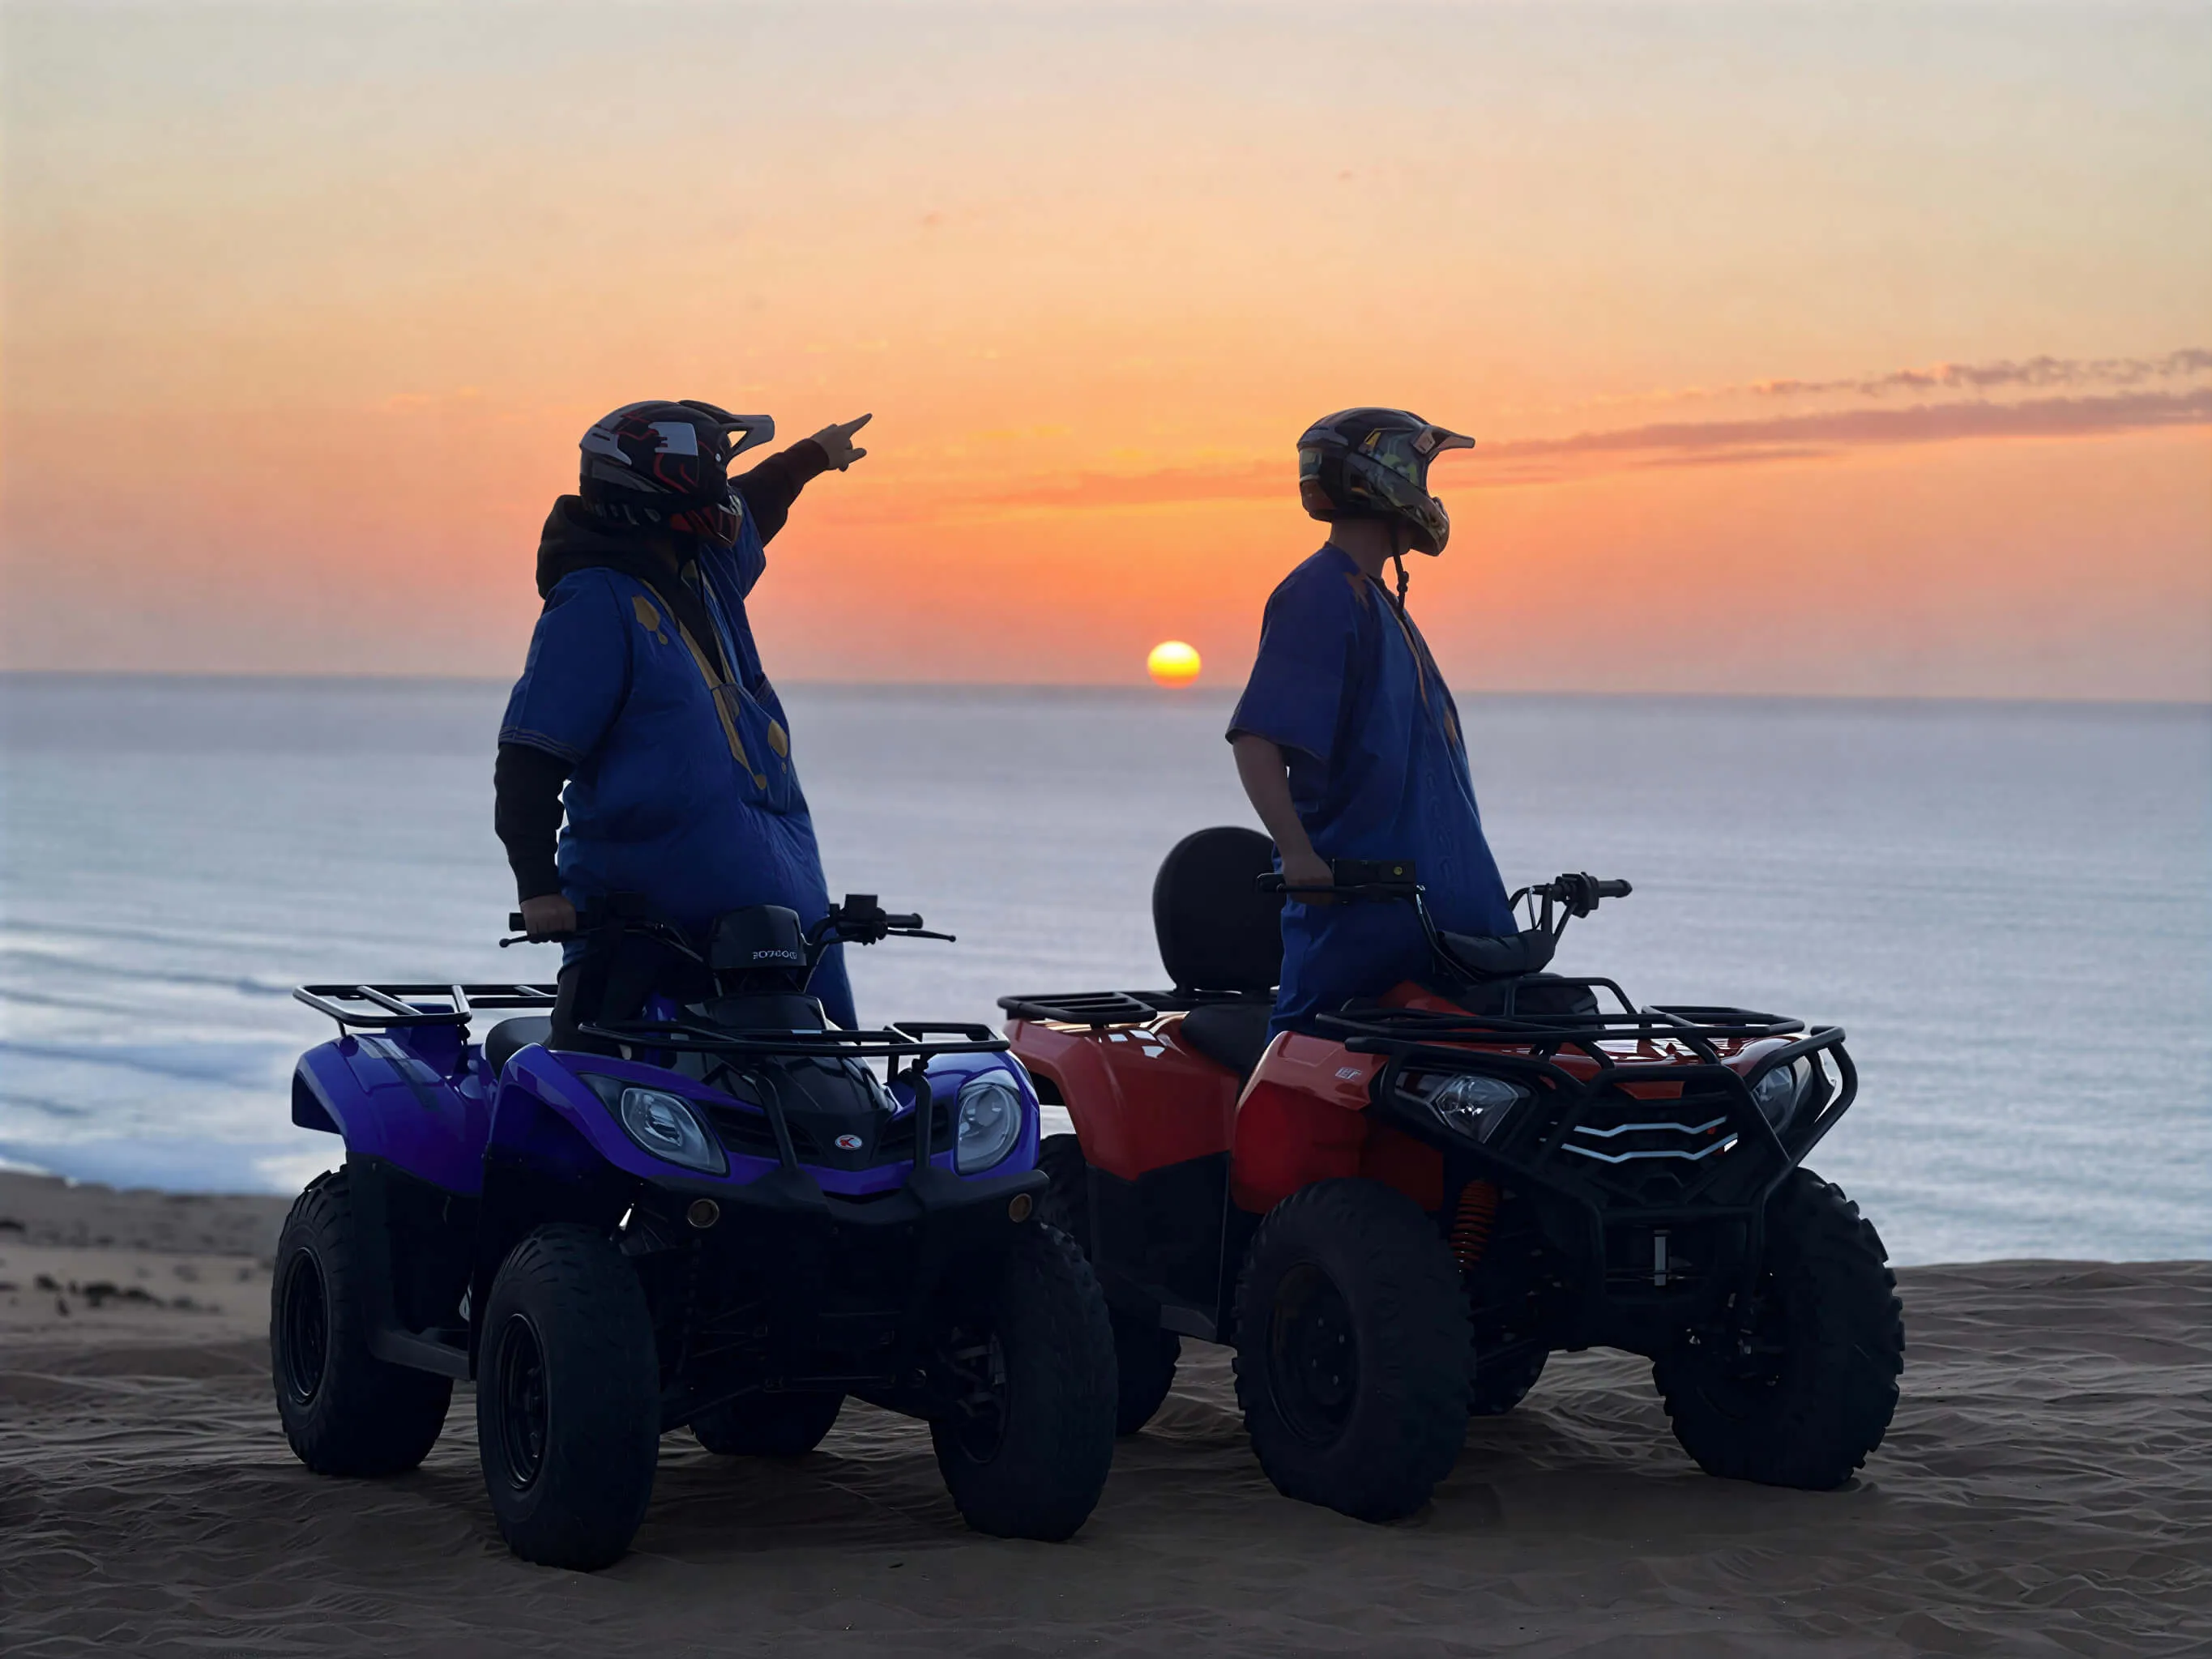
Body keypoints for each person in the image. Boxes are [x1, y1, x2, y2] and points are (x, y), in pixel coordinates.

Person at [494, 399, 871, 1037]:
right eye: (712, 480)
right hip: (650, 932)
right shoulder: (595, 605)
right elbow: (531, 756)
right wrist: (539, 890)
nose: (726, 496)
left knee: (822, 1102)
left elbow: (757, 501)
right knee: (609, 1105)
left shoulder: (705, 572)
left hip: (783, 931)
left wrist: (812, 457)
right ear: (666, 495)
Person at [1228, 407, 1517, 1031]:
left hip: (1442, 924)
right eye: (1422, 476)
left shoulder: (1378, 600)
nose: (1430, 498)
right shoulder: (1322, 594)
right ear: (1384, 479)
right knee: (1318, 1075)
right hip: (1362, 925)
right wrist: (1296, 854)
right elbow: (1257, 737)